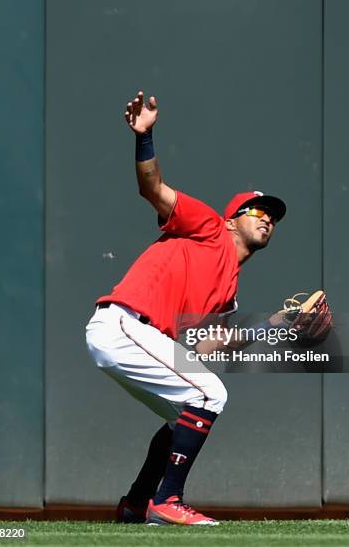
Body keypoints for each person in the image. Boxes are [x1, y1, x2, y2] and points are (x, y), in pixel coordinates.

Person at [85, 90, 286, 525]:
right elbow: (152, 188)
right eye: (256, 210)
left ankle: (136, 503)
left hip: (136, 338)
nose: (266, 217)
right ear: (233, 219)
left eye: (272, 215)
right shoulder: (210, 227)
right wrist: (145, 137)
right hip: (122, 323)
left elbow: (208, 349)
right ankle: (168, 501)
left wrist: (273, 326)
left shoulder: (228, 289)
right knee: (211, 394)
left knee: (189, 409)